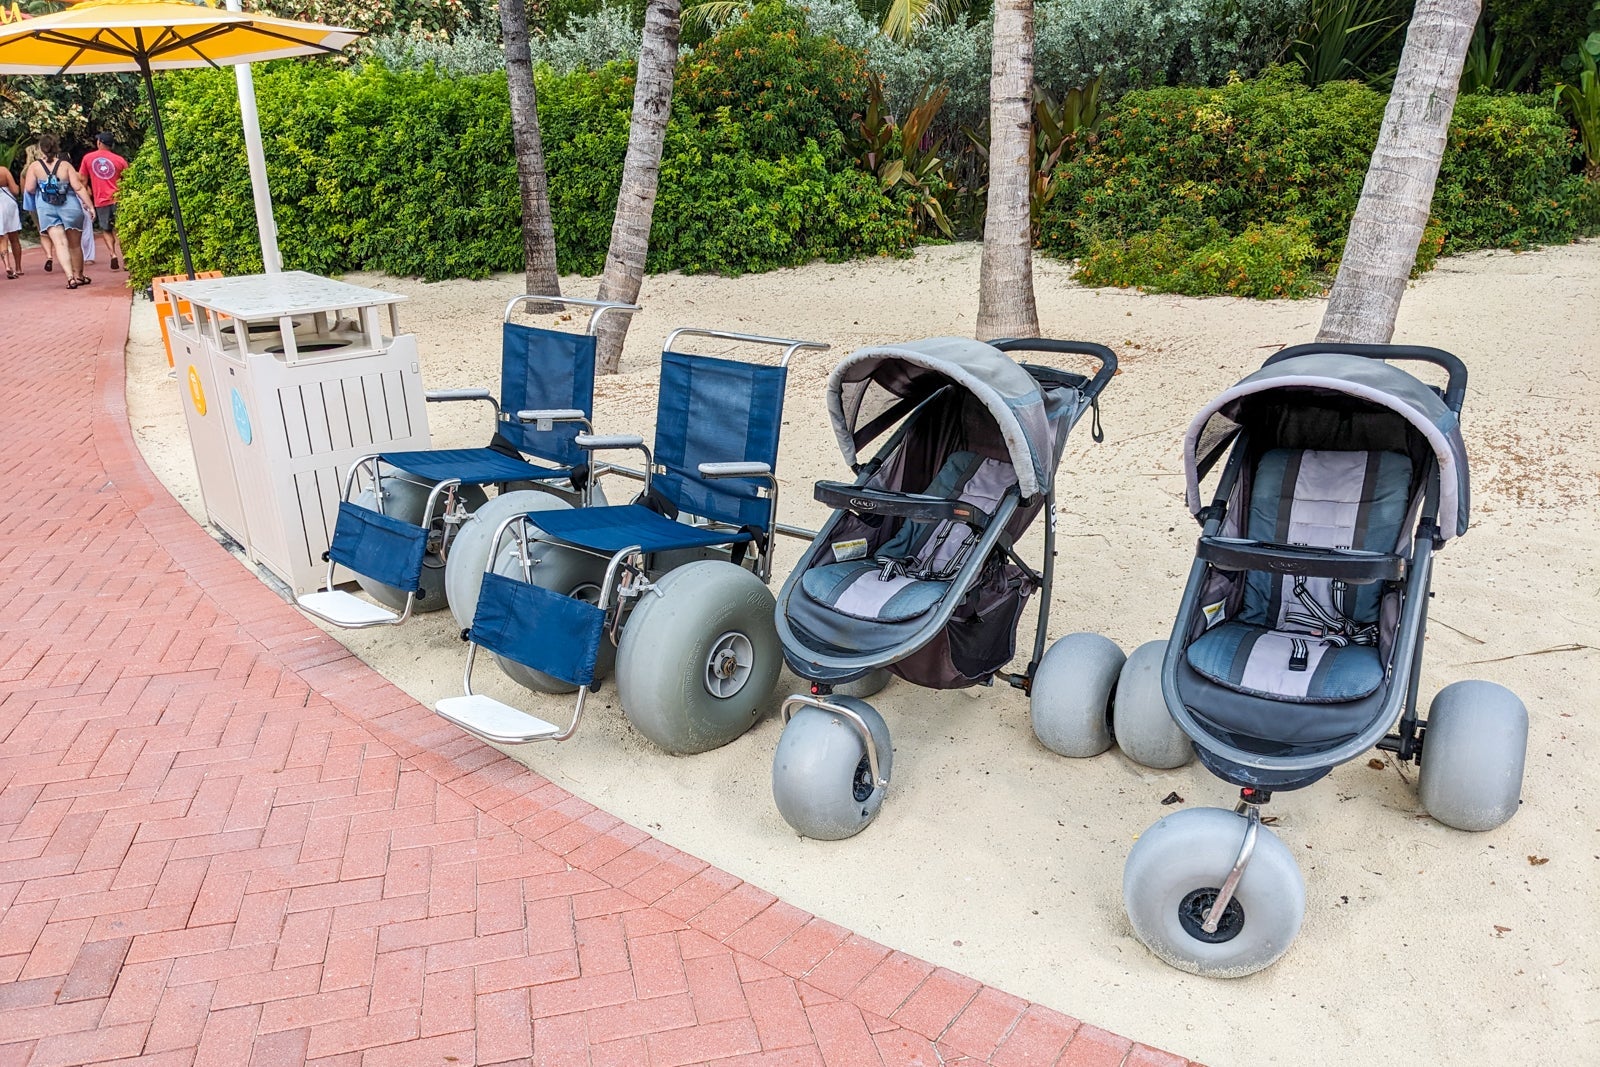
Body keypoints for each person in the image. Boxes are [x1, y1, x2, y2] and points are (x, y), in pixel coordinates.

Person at [23, 134, 94, 289]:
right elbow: (78, 187)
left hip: (46, 207)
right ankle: (79, 275)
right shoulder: (66, 166)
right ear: (56, 148)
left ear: (40, 149)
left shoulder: (34, 167)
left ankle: (70, 278)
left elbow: (29, 188)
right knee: (75, 245)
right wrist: (90, 206)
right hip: (70, 205)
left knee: (60, 243)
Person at [80, 132, 127, 271]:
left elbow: (83, 181)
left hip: (101, 200)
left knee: (106, 229)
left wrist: (86, 197)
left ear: (99, 142)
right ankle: (126, 258)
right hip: (119, 199)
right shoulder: (120, 160)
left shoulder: (88, 158)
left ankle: (112, 254)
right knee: (121, 230)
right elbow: (127, 180)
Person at [0, 163, 22, 279]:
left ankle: (7, 265)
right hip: (8, 204)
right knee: (14, 237)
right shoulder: (3, 170)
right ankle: (18, 267)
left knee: (2, 237)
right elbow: (15, 190)